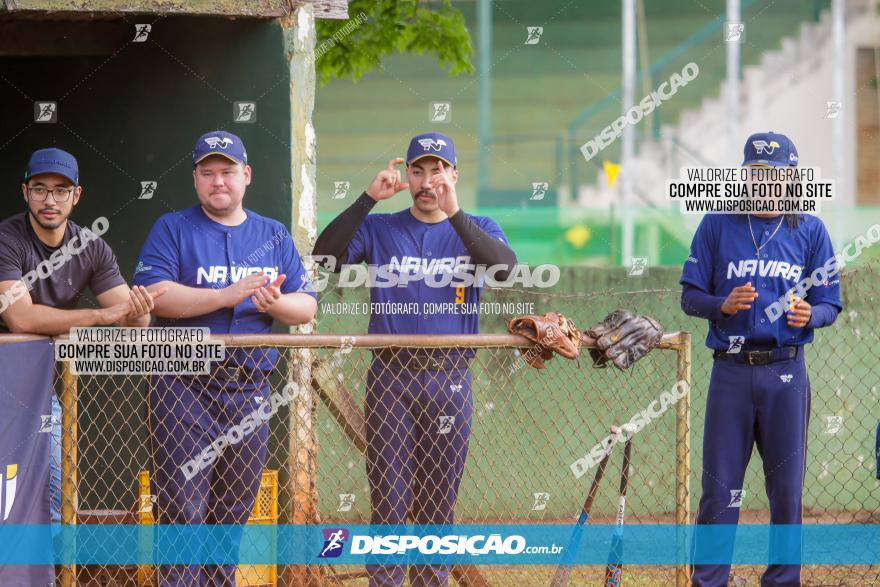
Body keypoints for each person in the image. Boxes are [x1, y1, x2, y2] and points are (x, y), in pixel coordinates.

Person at [312, 132, 517, 587]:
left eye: (438, 170)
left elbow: (504, 269)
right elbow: (326, 255)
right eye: (418, 171)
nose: (428, 181)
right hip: (392, 379)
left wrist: (455, 212)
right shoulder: (382, 228)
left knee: (438, 501)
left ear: (454, 175)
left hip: (450, 379)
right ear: (406, 175)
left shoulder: (477, 226)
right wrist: (368, 198)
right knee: (389, 497)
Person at [133, 130, 317, 586]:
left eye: (228, 171)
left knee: (232, 512)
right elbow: (157, 296)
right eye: (208, 172)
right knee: (181, 509)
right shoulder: (172, 227)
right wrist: (225, 295)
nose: (219, 181)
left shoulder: (272, 233)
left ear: (246, 175)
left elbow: (307, 305)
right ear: (196, 179)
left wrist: (274, 305)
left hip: (250, 390)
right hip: (184, 387)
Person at [680, 131, 843, 586]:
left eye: (774, 175)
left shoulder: (810, 230)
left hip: (786, 373)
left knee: (787, 494)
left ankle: (781, 581)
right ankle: (710, 581)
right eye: (755, 174)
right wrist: (721, 305)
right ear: (744, 177)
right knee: (719, 491)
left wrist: (814, 312)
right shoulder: (717, 224)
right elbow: (690, 297)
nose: (764, 183)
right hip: (730, 374)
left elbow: (831, 301)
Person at [0, 147, 162, 527]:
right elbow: (20, 318)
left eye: (61, 190)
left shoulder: (90, 247)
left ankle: (45, 578)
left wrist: (139, 310)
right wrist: (102, 315)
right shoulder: (7, 239)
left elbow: (132, 320)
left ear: (77, 195)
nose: (50, 199)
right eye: (40, 189)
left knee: (51, 492)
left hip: (39, 390)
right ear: (25, 193)